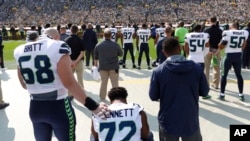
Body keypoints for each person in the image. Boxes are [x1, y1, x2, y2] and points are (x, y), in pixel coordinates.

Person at [13, 28, 109, 141]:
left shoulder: (19, 50)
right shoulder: (58, 46)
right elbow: (70, 83)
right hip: (58, 107)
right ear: (57, 37)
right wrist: (94, 106)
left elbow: (23, 84)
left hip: (35, 107)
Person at [149, 38, 209, 141]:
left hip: (168, 120)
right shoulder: (196, 68)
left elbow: (153, 95)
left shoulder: (158, 71)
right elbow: (204, 91)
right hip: (190, 119)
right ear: (180, 48)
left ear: (164, 52)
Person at [218, 22, 249, 101]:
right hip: (238, 56)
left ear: (231, 26)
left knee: (224, 75)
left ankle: (222, 94)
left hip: (228, 56)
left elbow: (221, 46)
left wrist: (220, 44)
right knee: (239, 75)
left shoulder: (227, 33)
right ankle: (241, 94)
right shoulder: (245, 32)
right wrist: (240, 49)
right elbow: (244, 43)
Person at [94, 28, 123, 101]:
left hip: (103, 67)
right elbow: (121, 54)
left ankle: (102, 98)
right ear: (111, 36)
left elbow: (95, 57)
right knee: (115, 84)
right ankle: (116, 98)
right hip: (113, 66)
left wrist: (95, 66)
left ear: (103, 35)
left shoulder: (98, 45)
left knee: (103, 83)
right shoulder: (115, 44)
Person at [64, 25, 85, 99]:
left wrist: (72, 61)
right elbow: (82, 53)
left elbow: (66, 53)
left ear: (71, 30)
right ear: (77, 31)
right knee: (80, 79)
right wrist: (76, 61)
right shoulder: (80, 40)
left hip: (69, 62)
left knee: (70, 79)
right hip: (79, 61)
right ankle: (82, 95)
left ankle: (70, 95)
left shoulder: (66, 40)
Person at [204, 16, 222, 89]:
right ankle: (216, 84)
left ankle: (206, 84)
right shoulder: (220, 30)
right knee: (216, 68)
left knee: (207, 68)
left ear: (209, 21)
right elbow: (222, 42)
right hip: (216, 50)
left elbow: (205, 41)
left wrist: (208, 50)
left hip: (208, 50)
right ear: (216, 21)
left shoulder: (206, 30)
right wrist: (218, 50)